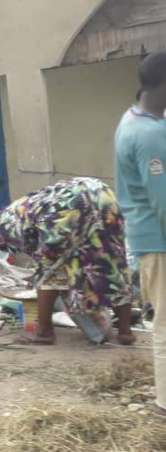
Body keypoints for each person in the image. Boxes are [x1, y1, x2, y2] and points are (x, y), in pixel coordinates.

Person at [0, 178, 135, 346]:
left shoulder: (7, 225)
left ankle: (44, 333)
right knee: (113, 263)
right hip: (103, 196)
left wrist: (45, 275)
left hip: (68, 207)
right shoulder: (30, 205)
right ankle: (126, 332)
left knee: (49, 273)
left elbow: (48, 264)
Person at [113, 51, 166, 419]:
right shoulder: (148, 134)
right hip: (159, 239)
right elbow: (162, 199)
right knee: (165, 324)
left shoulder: (134, 118)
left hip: (148, 237)